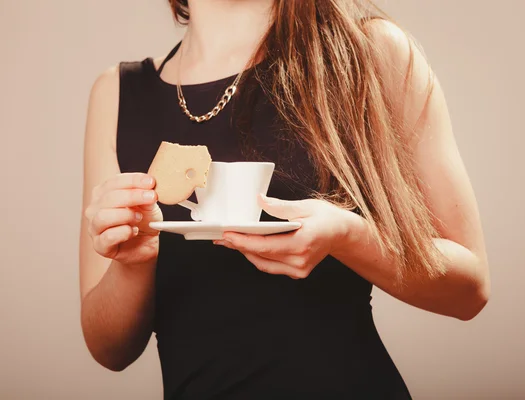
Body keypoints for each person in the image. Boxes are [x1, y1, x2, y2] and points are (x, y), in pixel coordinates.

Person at [78, 0, 490, 398]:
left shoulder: (371, 52)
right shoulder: (115, 94)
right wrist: (132, 265)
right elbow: (108, 349)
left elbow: (469, 289)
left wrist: (349, 236)